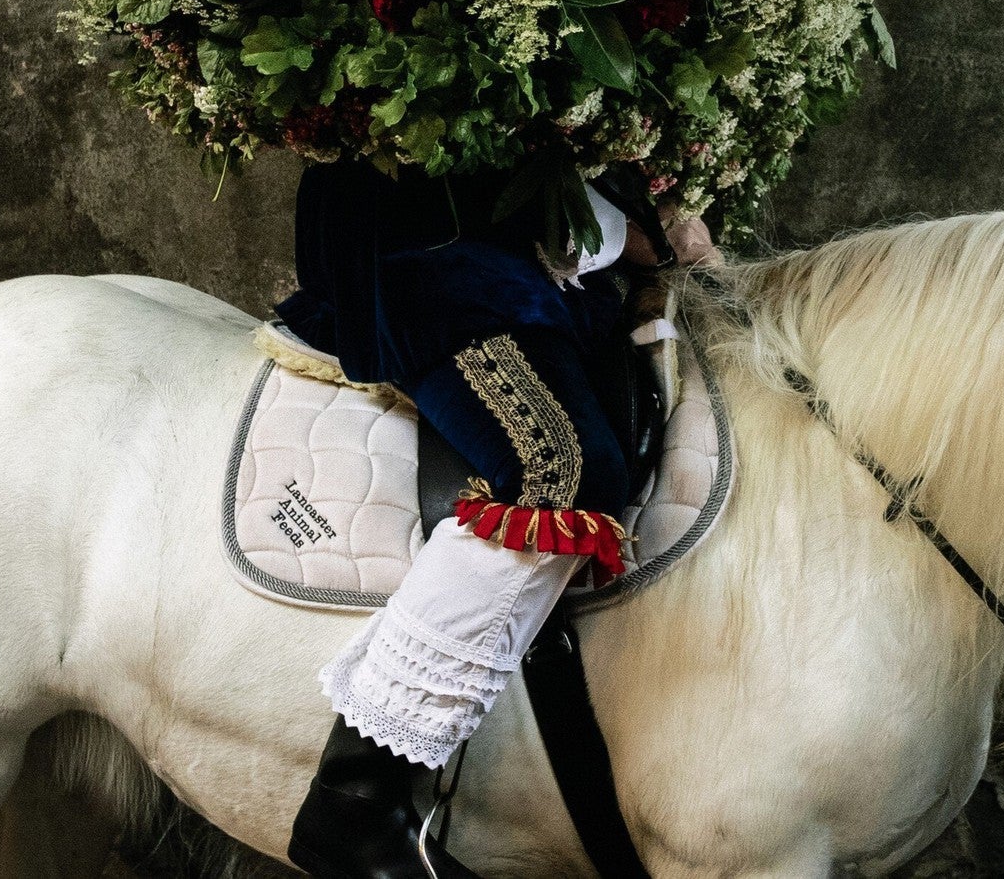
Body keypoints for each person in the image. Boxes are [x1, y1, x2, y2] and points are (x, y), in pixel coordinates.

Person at [277, 157, 710, 878]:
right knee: (563, 470)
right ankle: (354, 796)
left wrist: (654, 205)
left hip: (546, 272)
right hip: (438, 254)